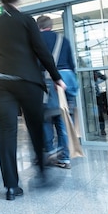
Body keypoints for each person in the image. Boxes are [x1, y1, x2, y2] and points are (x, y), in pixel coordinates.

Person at [0, 0, 65, 200]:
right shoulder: (26, 20)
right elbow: (42, 51)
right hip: (27, 81)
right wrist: (56, 77)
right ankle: (42, 174)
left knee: (7, 133)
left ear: (1, 1)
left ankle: (11, 186)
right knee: (35, 127)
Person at [37, 15, 77, 169]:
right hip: (68, 81)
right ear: (51, 26)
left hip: (50, 80)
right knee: (64, 118)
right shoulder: (63, 40)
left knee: (45, 117)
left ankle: (51, 151)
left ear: (38, 26)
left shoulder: (38, 39)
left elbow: (38, 63)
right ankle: (65, 157)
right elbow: (72, 64)